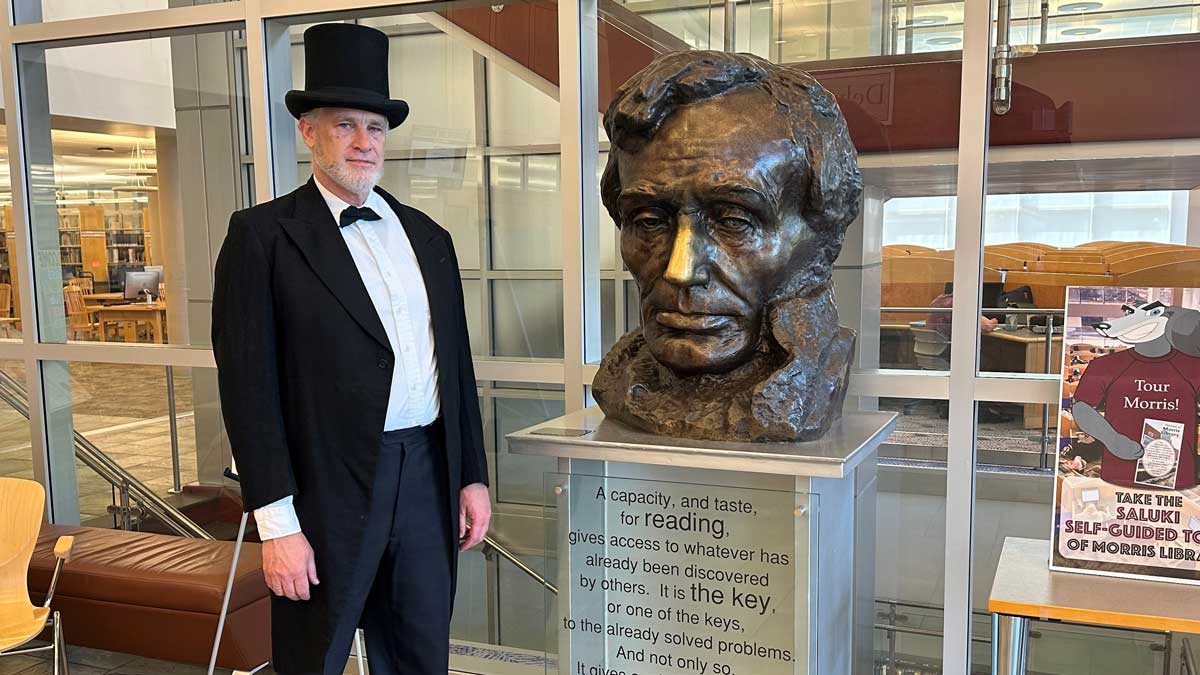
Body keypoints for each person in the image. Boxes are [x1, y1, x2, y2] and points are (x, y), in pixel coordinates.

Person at [211, 23, 490, 675]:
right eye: (345, 125)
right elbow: (249, 392)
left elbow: (454, 367)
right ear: (309, 131)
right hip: (322, 486)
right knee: (316, 657)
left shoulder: (430, 237)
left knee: (422, 651)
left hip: (425, 471)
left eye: (375, 127)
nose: (364, 143)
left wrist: (470, 474)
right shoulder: (262, 238)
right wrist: (276, 526)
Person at [591, 51, 862, 442]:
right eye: (650, 221)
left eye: (734, 221)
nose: (681, 270)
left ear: (821, 236)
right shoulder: (621, 378)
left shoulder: (813, 380)